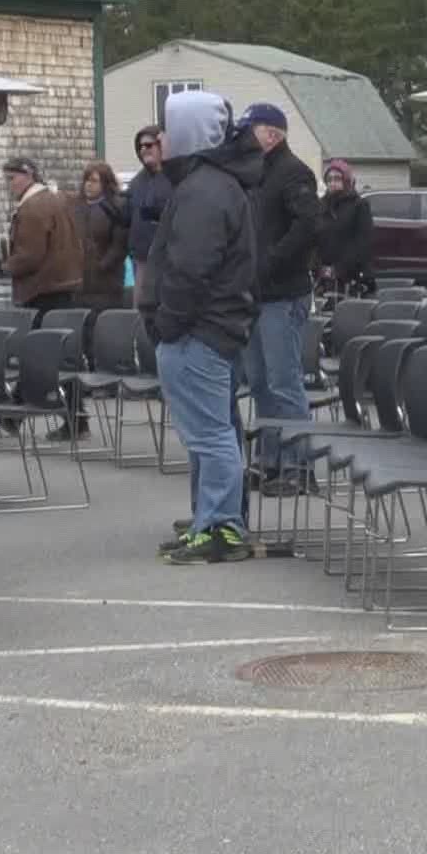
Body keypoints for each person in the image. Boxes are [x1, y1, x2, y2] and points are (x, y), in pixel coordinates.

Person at [143, 90, 261, 565]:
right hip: (207, 328)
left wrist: (167, 322)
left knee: (212, 435)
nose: (161, 139)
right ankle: (209, 519)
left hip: (199, 330)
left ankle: (221, 528)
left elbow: (191, 268)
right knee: (211, 432)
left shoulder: (204, 190)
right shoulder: (209, 184)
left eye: (168, 130)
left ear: (188, 134)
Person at [237, 103, 320, 495]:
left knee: (284, 383)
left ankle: (298, 465)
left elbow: (307, 226)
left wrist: (270, 261)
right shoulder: (255, 174)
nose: (243, 137)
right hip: (256, 293)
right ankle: (269, 460)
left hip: (282, 293)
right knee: (260, 383)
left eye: (250, 130)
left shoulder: (293, 172)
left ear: (272, 134)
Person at [0, 156, 82, 322]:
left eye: (12, 178)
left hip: (41, 290)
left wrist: (6, 267)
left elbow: (30, 256)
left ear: (29, 175)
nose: (8, 185)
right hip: (66, 284)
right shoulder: (59, 198)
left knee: (41, 343)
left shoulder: (31, 208)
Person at [75, 162, 129, 313]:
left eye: (94, 181)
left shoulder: (116, 207)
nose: (88, 185)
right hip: (79, 283)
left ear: (105, 183)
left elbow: (119, 245)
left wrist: (102, 266)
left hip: (106, 284)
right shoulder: (76, 207)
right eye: (86, 180)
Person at [126, 126, 173, 290]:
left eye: (149, 145)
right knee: (141, 309)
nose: (143, 150)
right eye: (140, 147)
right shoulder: (136, 183)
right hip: (141, 260)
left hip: (168, 261)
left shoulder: (176, 177)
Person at [318, 159, 374, 297]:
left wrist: (341, 268)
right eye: (329, 179)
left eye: (337, 178)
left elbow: (363, 242)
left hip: (349, 274)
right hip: (324, 274)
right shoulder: (322, 205)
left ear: (347, 180)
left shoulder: (358, 205)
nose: (332, 183)